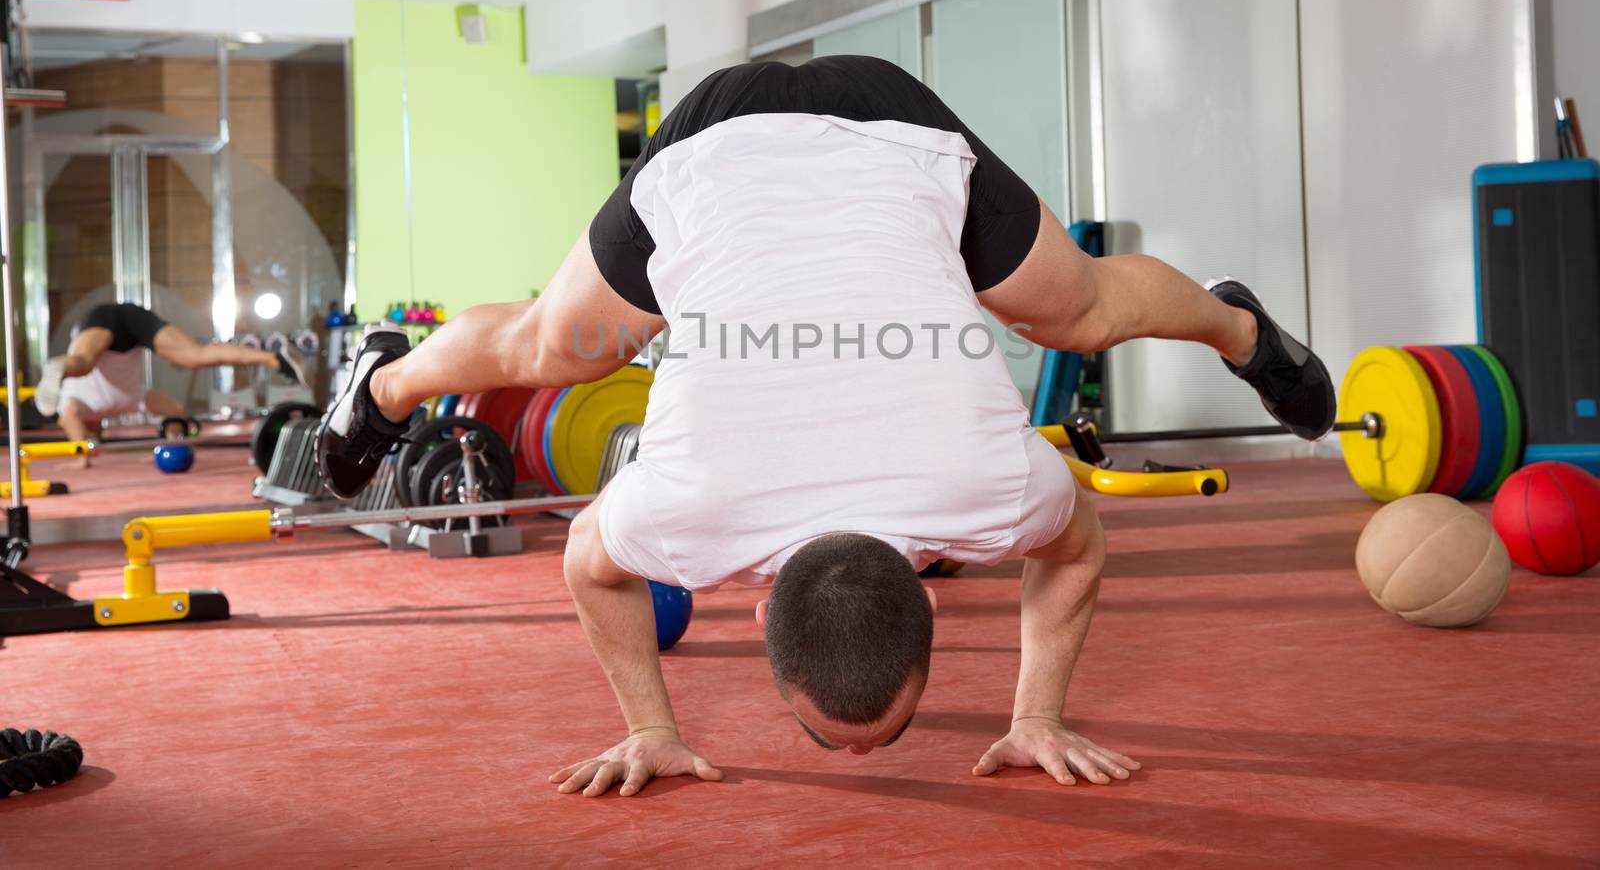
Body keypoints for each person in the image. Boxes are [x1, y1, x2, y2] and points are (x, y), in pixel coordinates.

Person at [318, 55, 1335, 797]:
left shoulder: (974, 493)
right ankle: (386, 382)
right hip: (821, 128)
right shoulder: (705, 513)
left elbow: (1076, 548)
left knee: (1079, 314)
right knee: (558, 344)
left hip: (825, 127)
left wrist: (652, 728)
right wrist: (1032, 714)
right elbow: (588, 558)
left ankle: (1244, 330)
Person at [33, 302, 310, 460]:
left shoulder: (74, 405)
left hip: (100, 318)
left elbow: (69, 418)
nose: (93, 434)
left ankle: (59, 365)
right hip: (132, 320)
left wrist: (82, 459)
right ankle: (276, 359)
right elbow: (176, 411)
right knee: (195, 355)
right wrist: (175, 442)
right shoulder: (129, 402)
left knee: (83, 363)